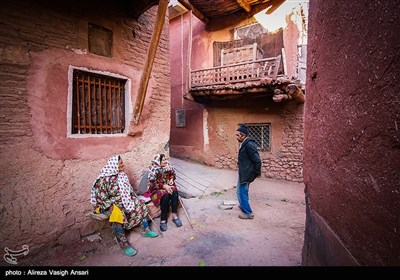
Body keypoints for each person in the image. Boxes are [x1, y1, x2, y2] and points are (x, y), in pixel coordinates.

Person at [90, 155, 158, 257]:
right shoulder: (103, 180)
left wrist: (133, 198)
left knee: (140, 205)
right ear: (114, 165)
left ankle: (145, 230)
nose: (122, 165)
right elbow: (101, 199)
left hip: (123, 200)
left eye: (122, 163)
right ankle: (123, 244)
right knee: (118, 215)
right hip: (109, 204)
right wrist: (112, 206)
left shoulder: (121, 175)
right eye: (120, 163)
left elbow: (128, 190)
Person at [144, 153, 182, 232]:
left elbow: (173, 174)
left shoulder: (168, 166)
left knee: (174, 191)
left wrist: (171, 179)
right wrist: (164, 186)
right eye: (163, 160)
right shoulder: (153, 169)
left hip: (167, 185)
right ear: (158, 161)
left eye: (165, 159)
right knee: (165, 195)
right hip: (156, 189)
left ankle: (174, 215)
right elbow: (152, 184)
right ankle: (163, 219)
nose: (165, 161)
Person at [235, 124, 262, 219]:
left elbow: (257, 160)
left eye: (238, 135)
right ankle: (243, 206)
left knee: (242, 191)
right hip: (244, 171)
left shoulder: (249, 145)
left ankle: (248, 213)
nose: (236, 137)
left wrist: (256, 173)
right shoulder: (245, 143)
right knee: (240, 191)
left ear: (243, 135)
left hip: (247, 173)